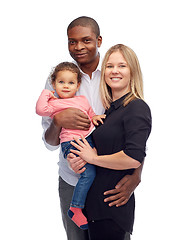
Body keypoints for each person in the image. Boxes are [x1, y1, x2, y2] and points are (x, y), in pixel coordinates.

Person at [42, 16, 143, 240]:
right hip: (72, 179)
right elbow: (49, 142)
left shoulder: (112, 75)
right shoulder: (59, 79)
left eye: (86, 40)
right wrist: (58, 121)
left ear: (98, 40)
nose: (78, 47)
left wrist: (136, 174)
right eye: (72, 41)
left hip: (111, 181)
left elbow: (134, 131)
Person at [69, 44, 152, 240]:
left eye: (122, 66)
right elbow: (108, 149)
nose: (114, 71)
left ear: (132, 72)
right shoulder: (110, 112)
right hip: (96, 208)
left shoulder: (137, 107)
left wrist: (93, 158)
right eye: (109, 66)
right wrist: (80, 159)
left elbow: (133, 157)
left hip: (111, 209)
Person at [36, 62, 105, 230]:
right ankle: (75, 207)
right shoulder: (54, 103)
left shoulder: (82, 99)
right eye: (61, 82)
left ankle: (78, 206)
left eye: (71, 83)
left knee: (92, 171)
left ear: (77, 85)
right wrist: (47, 93)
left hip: (86, 140)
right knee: (88, 173)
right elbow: (40, 109)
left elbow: (90, 113)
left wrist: (95, 117)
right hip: (71, 144)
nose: (66, 86)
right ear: (54, 84)